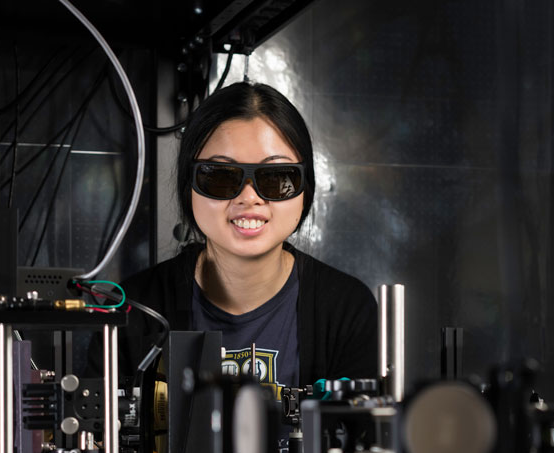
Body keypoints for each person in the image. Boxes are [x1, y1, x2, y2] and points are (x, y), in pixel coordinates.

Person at [117, 81, 378, 393]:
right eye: (220, 176)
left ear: (305, 189)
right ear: (189, 187)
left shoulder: (345, 309)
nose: (249, 197)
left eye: (277, 177)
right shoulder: (135, 309)